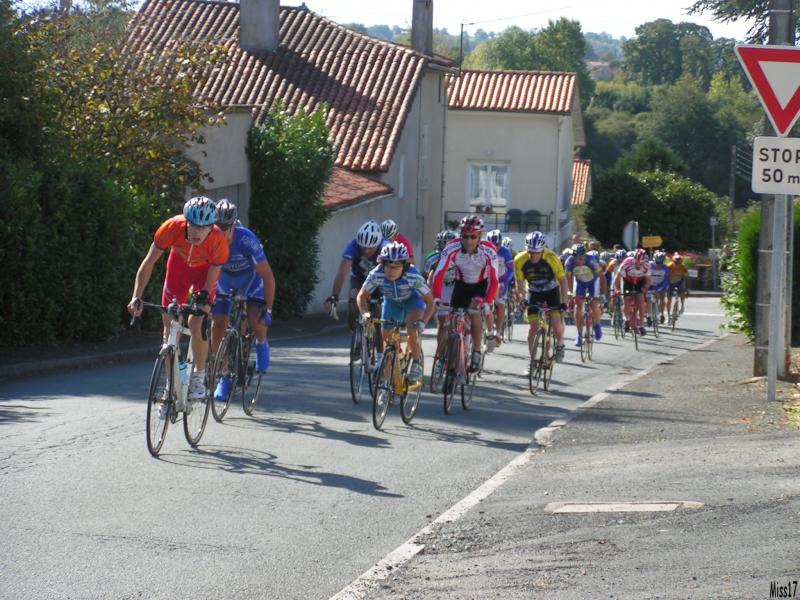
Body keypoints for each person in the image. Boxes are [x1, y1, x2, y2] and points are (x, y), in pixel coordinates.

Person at [127, 196, 229, 401]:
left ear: (211, 227)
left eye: (203, 228)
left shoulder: (218, 240)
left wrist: (204, 296)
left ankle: (199, 377)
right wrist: (136, 295)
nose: (197, 232)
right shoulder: (171, 227)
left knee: (196, 322)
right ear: (186, 222)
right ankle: (171, 382)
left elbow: (214, 272)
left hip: (204, 274)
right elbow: (149, 262)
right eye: (193, 226)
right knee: (169, 326)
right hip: (178, 269)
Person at [210, 200, 276, 402]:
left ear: (233, 226)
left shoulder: (246, 239)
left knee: (255, 318)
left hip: (250, 281)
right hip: (225, 281)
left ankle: (262, 343)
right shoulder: (210, 239)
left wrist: (268, 310)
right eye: (216, 227)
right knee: (217, 326)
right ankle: (224, 375)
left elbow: (268, 276)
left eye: (224, 228)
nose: (220, 232)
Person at [358, 242, 435, 383]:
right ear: (382, 264)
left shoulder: (413, 276)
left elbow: (430, 302)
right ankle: (385, 385)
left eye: (397, 267)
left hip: (413, 302)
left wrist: (423, 322)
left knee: (412, 329)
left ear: (404, 266)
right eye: (388, 266)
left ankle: (416, 362)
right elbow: (361, 297)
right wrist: (365, 314)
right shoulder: (376, 274)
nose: (392, 271)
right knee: (387, 343)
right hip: (391, 302)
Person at [432, 215, 499, 373]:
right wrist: (437, 298)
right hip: (461, 284)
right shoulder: (452, 247)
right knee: (451, 320)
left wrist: (488, 302)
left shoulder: (489, 250)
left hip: (480, 285)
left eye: (473, 237)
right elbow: (438, 275)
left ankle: (476, 352)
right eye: (465, 236)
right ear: (460, 235)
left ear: (480, 236)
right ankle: (447, 358)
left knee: (474, 312)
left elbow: (494, 281)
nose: (469, 241)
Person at [514, 231, 569, 369]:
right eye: (530, 252)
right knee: (532, 328)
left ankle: (560, 343)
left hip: (552, 291)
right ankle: (532, 361)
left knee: (556, 322)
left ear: (542, 250)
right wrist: (521, 299)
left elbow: (563, 281)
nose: (533, 256)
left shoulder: (551, 257)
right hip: (534, 292)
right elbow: (519, 284)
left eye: (537, 253)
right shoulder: (519, 260)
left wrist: (564, 303)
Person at [324, 221, 386, 330]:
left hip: (379, 280)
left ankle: (377, 335)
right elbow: (342, 273)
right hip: (359, 277)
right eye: (363, 247)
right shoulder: (353, 246)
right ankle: (355, 334)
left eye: (371, 248)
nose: (367, 251)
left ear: (378, 244)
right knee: (353, 304)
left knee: (378, 308)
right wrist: (335, 295)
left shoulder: (385, 247)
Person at [564, 243, 607, 346]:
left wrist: (603, 294)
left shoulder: (591, 260)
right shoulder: (569, 261)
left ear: (585, 255)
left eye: (582, 258)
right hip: (580, 283)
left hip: (593, 282)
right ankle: (579, 335)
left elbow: (602, 278)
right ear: (573, 257)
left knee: (594, 304)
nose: (580, 261)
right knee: (577, 306)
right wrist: (569, 292)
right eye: (577, 258)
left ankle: (597, 324)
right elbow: (568, 278)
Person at [486, 228, 514, 349]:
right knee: (486, 304)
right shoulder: (484, 250)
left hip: (502, 280)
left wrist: (504, 283)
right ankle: (488, 329)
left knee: (500, 304)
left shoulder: (505, 252)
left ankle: (498, 332)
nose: (494, 247)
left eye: (496, 244)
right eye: (491, 245)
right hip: (488, 279)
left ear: (500, 243)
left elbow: (511, 270)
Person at [613, 248, 650, 336]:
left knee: (641, 301)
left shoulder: (647, 265)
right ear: (633, 259)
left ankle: (641, 325)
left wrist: (645, 288)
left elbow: (648, 280)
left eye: (640, 263)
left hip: (640, 282)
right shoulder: (626, 263)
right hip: (628, 282)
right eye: (636, 262)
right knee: (627, 300)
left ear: (644, 261)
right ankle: (626, 320)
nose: (638, 265)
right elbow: (617, 278)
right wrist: (617, 289)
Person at [647, 250, 671, 325]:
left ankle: (661, 314)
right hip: (649, 284)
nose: (658, 265)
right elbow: (644, 277)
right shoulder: (649, 265)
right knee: (648, 299)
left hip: (661, 284)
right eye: (656, 263)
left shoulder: (665, 268)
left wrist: (661, 288)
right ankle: (649, 315)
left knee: (662, 297)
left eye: (660, 263)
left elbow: (667, 280)